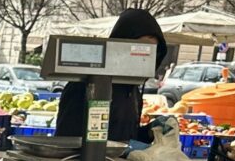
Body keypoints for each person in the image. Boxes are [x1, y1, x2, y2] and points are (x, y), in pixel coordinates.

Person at [56, 8, 169, 144]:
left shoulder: (132, 91)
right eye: (141, 51)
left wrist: (150, 132)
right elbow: (67, 137)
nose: (146, 59)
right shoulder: (85, 85)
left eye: (153, 52)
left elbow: (127, 136)